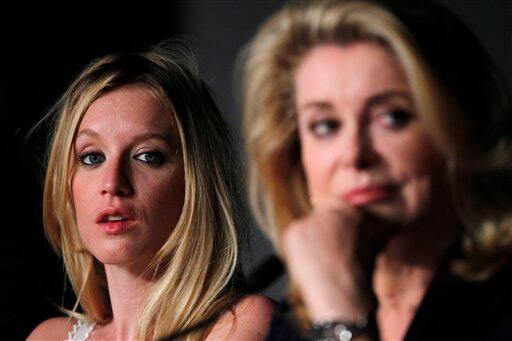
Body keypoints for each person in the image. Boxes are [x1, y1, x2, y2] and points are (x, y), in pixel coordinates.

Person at [240, 0, 512, 340]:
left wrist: (342, 322)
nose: (354, 155)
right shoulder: (295, 325)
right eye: (325, 126)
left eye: (392, 117)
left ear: (464, 129)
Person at [27, 41, 275, 340]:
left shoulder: (243, 324)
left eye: (147, 156)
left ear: (196, 181)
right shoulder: (48, 336)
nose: (113, 184)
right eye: (92, 157)